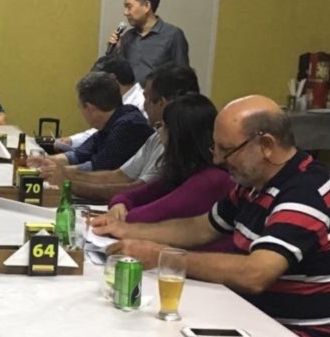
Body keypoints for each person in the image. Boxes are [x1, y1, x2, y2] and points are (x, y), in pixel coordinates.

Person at [103, 95, 330, 337]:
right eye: (215, 148)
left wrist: (161, 256)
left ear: (266, 145)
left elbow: (256, 274)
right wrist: (127, 230)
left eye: (227, 150)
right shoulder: (254, 184)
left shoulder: (304, 193)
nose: (217, 160)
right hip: (251, 316)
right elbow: (200, 228)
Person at [34, 64, 199, 202]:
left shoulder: (137, 128)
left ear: (162, 103)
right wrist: (60, 172)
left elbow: (140, 190)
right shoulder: (156, 136)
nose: (144, 105)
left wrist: (69, 182)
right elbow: (120, 175)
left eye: (147, 98)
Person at [95, 93, 233, 248]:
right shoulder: (184, 171)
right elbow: (130, 195)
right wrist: (119, 204)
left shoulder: (210, 180)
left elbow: (142, 219)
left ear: (176, 135)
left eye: (162, 126)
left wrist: (119, 215)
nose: (158, 132)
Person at [60, 72, 153, 173]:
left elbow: (97, 169)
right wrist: (48, 161)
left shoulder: (128, 126)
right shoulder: (110, 124)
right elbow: (77, 156)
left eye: (80, 107)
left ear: (90, 109)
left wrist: (59, 171)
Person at [106, 0, 190, 84]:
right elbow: (118, 75)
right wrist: (115, 52)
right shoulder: (127, 37)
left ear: (146, 6)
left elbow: (183, 77)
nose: (125, 12)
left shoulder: (173, 35)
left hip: (158, 94)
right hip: (129, 94)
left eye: (129, 7)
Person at [55, 54, 143, 150]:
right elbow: (100, 132)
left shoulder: (141, 104)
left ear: (112, 79)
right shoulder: (119, 101)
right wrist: (71, 140)